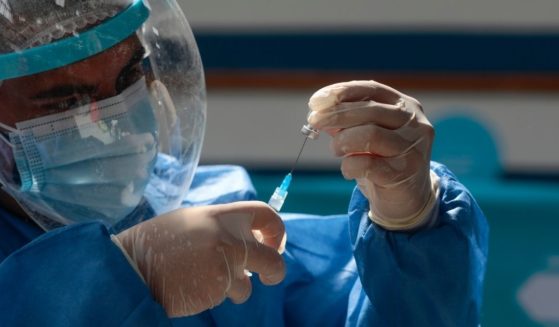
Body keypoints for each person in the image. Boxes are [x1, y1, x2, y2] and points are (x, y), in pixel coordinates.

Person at [0, 0, 488, 326]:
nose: (109, 122)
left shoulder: (206, 214)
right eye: (60, 102)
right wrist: (109, 284)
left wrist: (411, 224)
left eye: (130, 75)